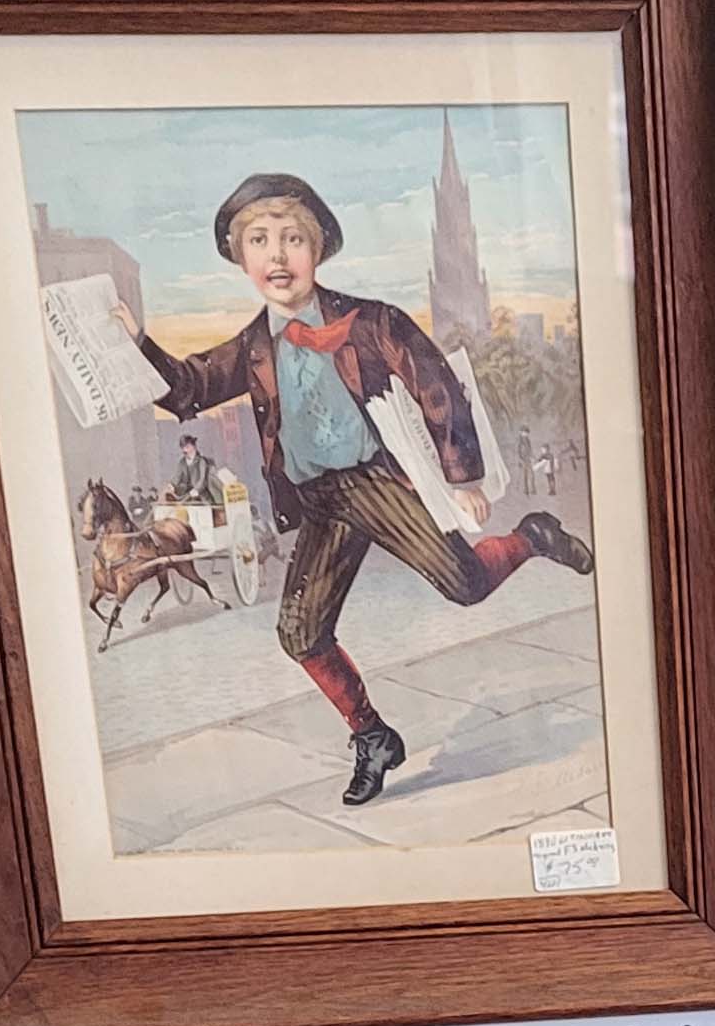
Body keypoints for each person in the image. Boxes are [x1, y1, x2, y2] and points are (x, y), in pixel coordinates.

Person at [132, 171, 593, 807]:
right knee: (299, 632)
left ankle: (532, 536)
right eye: (259, 240)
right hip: (318, 499)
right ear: (241, 259)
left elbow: (434, 382)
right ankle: (372, 736)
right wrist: (132, 345)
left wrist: (463, 477)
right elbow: (188, 388)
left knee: (464, 585)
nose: (276, 254)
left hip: (378, 480)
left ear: (318, 249)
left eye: (292, 238)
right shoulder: (254, 346)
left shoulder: (371, 322)